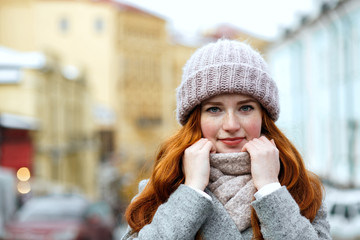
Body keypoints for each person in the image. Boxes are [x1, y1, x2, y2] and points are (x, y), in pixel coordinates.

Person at [121, 39, 331, 240]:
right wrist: (191, 190)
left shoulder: (300, 188)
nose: (231, 125)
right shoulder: (161, 188)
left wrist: (270, 188)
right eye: (214, 109)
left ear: (263, 116)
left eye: (246, 108)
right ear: (196, 119)